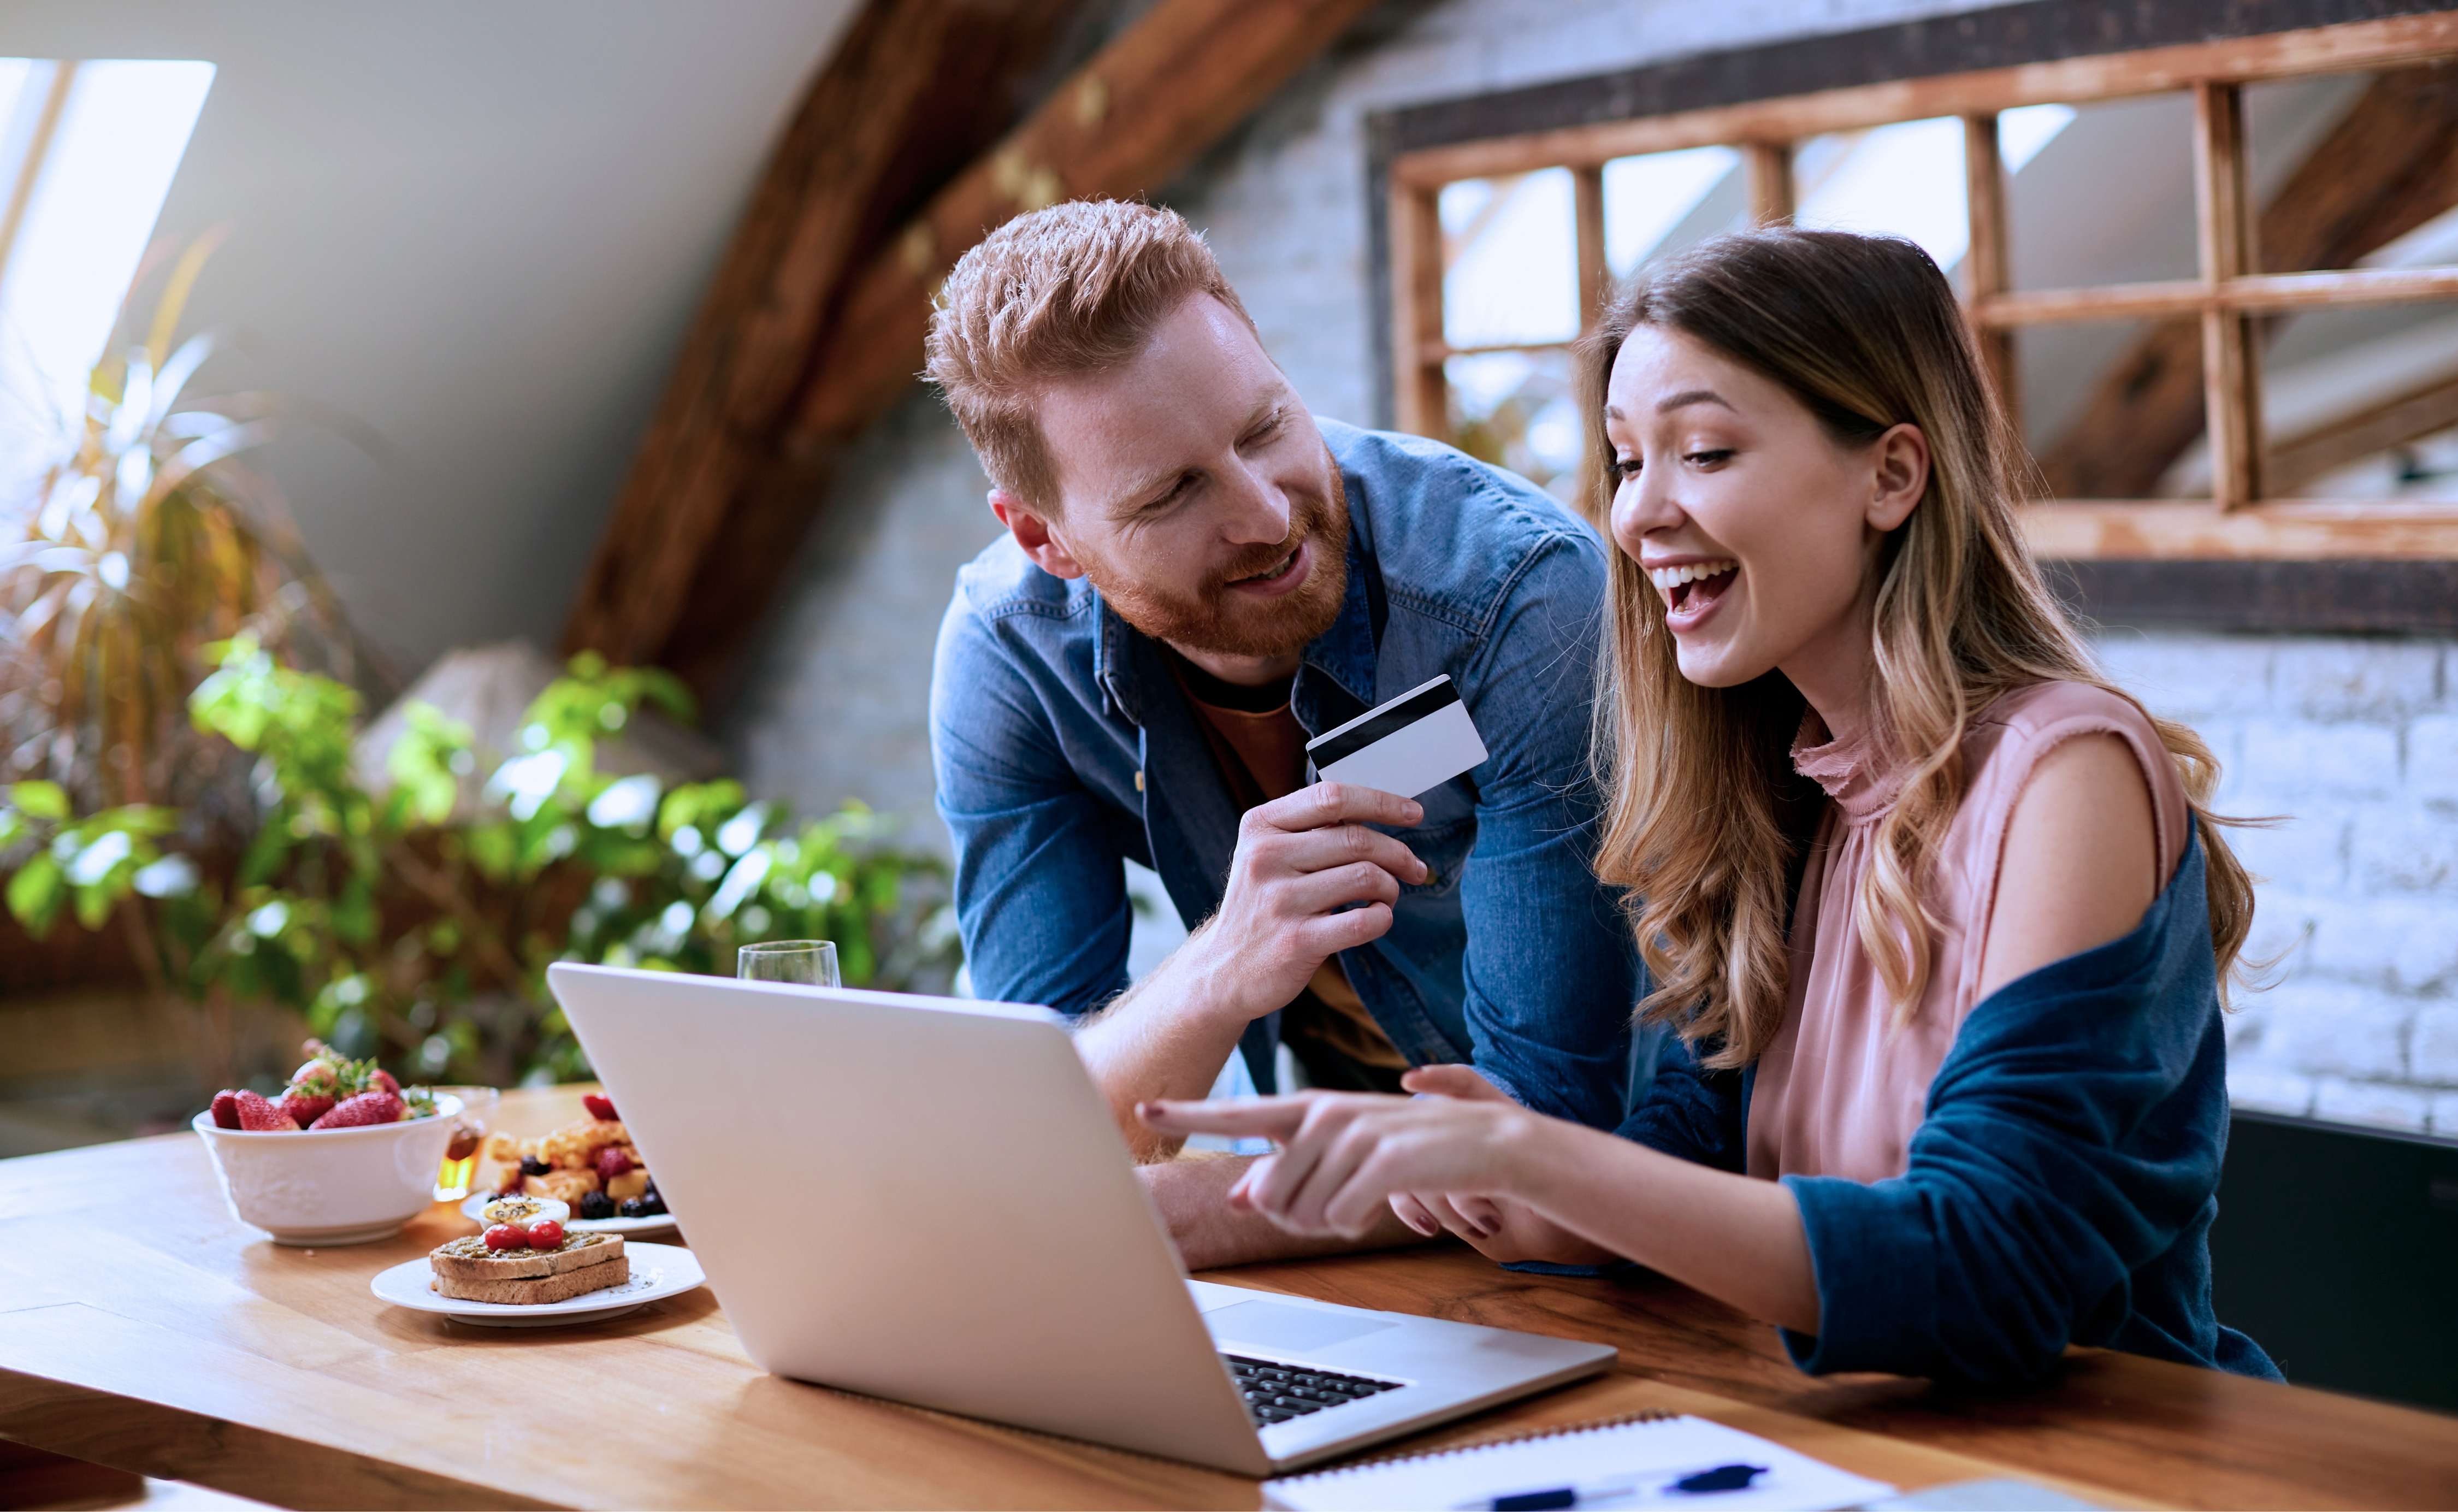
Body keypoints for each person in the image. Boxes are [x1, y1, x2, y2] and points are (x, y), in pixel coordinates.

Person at [1145, 228, 2281, 1385]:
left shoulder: (2065, 772)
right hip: (1845, 1444)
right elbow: (1694, 1160)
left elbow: (1990, 1265)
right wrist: (1495, 1184)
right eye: (1627, 462)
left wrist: (1537, 1156)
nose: (1637, 517)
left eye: (1704, 451)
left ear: (1892, 475)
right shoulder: (1785, 797)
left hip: (2102, 1469)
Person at [924, 199, 1640, 1268]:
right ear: (1044, 538)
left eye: (1265, 426)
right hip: (1368, 1234)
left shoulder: (1514, 596)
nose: (1266, 515)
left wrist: (1174, 1216)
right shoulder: (1012, 655)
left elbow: (1549, 1138)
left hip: (1644, 1229)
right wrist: (1222, 968)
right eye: (1173, 492)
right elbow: (1044, 1116)